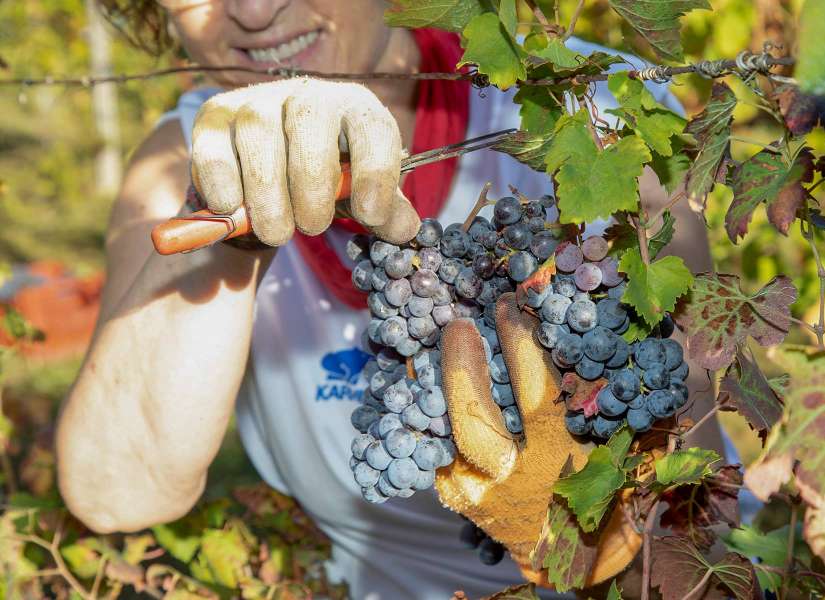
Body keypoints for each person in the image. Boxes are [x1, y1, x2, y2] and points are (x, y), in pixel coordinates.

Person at [55, 1, 728, 597]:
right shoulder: (176, 170)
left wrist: (600, 531)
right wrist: (229, 223)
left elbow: (677, 396)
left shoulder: (581, 111)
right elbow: (117, 491)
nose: (254, 11)